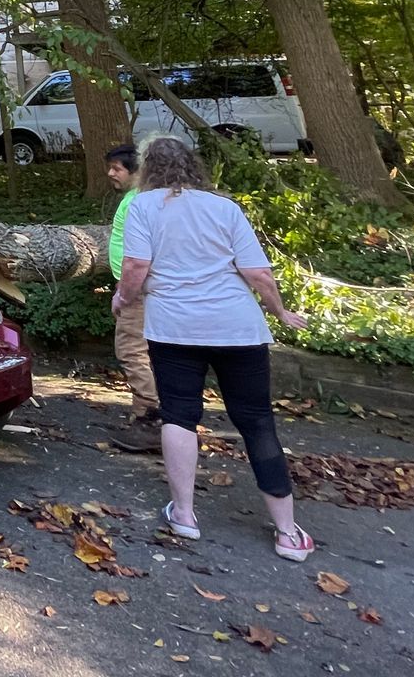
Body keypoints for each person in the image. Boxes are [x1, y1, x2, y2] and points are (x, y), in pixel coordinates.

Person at [111, 136, 315, 562]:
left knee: (180, 415)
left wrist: (122, 298)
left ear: (147, 168)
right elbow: (258, 273)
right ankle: (287, 533)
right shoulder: (225, 208)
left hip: (175, 328)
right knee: (257, 421)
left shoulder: (143, 207)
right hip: (236, 328)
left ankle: (184, 515)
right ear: (192, 165)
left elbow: (135, 267)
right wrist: (280, 312)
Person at [102, 145, 160, 453]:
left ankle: (149, 420)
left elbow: (139, 259)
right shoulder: (141, 198)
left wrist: (125, 292)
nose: (111, 173)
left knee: (131, 351)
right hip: (136, 287)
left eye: (117, 168)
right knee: (146, 351)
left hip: (137, 291)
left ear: (135, 171)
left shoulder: (139, 201)